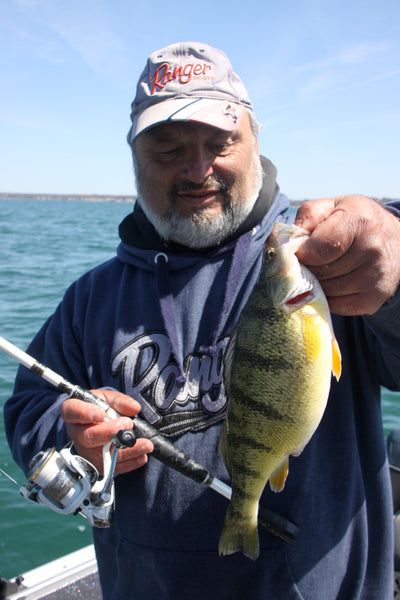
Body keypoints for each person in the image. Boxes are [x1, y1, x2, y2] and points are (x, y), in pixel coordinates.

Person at [4, 41, 400, 600]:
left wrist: (395, 267)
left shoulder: (323, 262)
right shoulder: (89, 299)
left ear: (255, 143)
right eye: (167, 149)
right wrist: (73, 442)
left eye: (220, 142)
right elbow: (27, 408)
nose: (197, 169)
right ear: (134, 156)